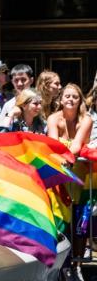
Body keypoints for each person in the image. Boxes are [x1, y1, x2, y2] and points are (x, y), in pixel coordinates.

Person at [47, 84, 93, 280]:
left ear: (80, 100)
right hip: (59, 174)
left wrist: (67, 156)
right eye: (67, 96)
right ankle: (61, 265)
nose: (71, 99)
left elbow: (76, 145)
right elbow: (53, 143)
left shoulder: (86, 120)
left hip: (80, 176)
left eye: (75, 96)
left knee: (80, 221)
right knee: (59, 220)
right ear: (61, 99)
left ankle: (77, 265)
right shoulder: (53, 118)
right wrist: (62, 159)